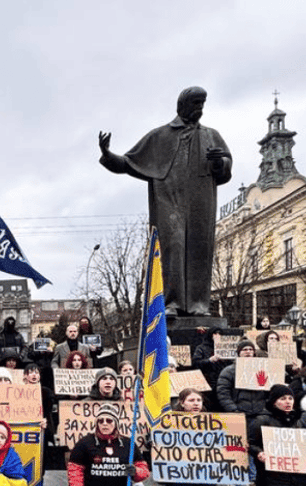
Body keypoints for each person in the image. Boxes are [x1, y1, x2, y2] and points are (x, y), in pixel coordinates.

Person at [98, 86, 232, 316]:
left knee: (201, 248)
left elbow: (226, 170)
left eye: (202, 103)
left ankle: (200, 304)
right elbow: (127, 163)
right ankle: (173, 303)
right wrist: (107, 153)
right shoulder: (160, 136)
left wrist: (220, 162)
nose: (199, 108)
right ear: (181, 106)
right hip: (169, 203)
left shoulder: (211, 135)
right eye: (195, 103)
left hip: (201, 202)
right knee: (173, 248)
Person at [216, 340, 269, 417]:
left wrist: (265, 409)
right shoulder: (229, 371)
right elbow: (223, 392)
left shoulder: (263, 369)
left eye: (251, 349)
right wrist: (233, 409)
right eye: (244, 349)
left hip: (261, 413)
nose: (248, 352)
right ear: (239, 353)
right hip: (239, 413)